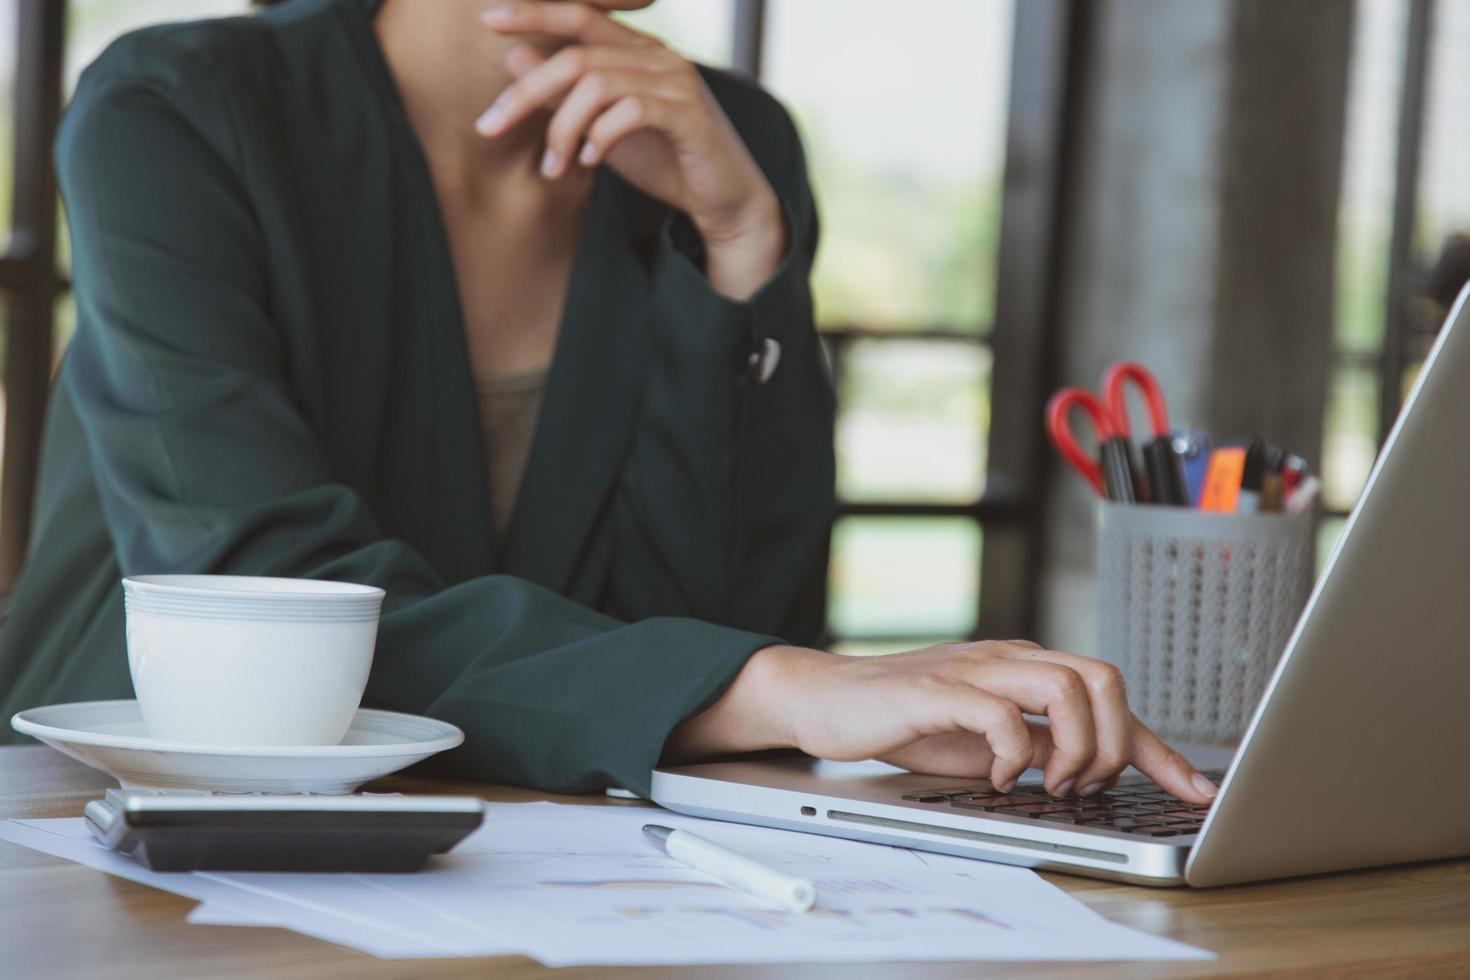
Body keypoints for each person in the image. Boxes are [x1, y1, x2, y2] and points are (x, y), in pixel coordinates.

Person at [0, 0, 1218, 806]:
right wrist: (788, 686)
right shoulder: (175, 111)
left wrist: (738, 243)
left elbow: (729, 611)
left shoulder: (725, 142)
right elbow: (268, 603)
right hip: (126, 822)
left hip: (542, 845)